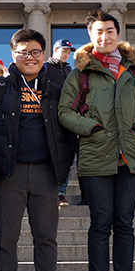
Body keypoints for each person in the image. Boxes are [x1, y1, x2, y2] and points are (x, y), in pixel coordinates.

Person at [58, 10, 135, 271]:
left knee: (124, 224)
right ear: (91, 37)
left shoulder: (133, 73)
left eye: (110, 31)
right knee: (101, 223)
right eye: (98, 32)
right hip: (95, 157)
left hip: (128, 158)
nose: (105, 37)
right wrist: (91, 128)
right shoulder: (80, 74)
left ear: (118, 33)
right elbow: (65, 112)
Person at [0, 29, 73, 271]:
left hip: (46, 173)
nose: (29, 57)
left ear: (43, 55)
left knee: (46, 238)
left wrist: (63, 166)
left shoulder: (57, 88)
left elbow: (68, 128)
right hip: (9, 175)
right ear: (12, 55)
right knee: (6, 238)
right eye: (23, 52)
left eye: (35, 52)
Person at [45, 39, 77, 207]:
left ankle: (61, 193)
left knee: (66, 156)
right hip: (50, 118)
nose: (66, 54)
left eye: (68, 52)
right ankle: (51, 192)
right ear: (55, 49)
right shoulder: (45, 68)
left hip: (68, 118)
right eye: (64, 50)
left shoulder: (69, 70)